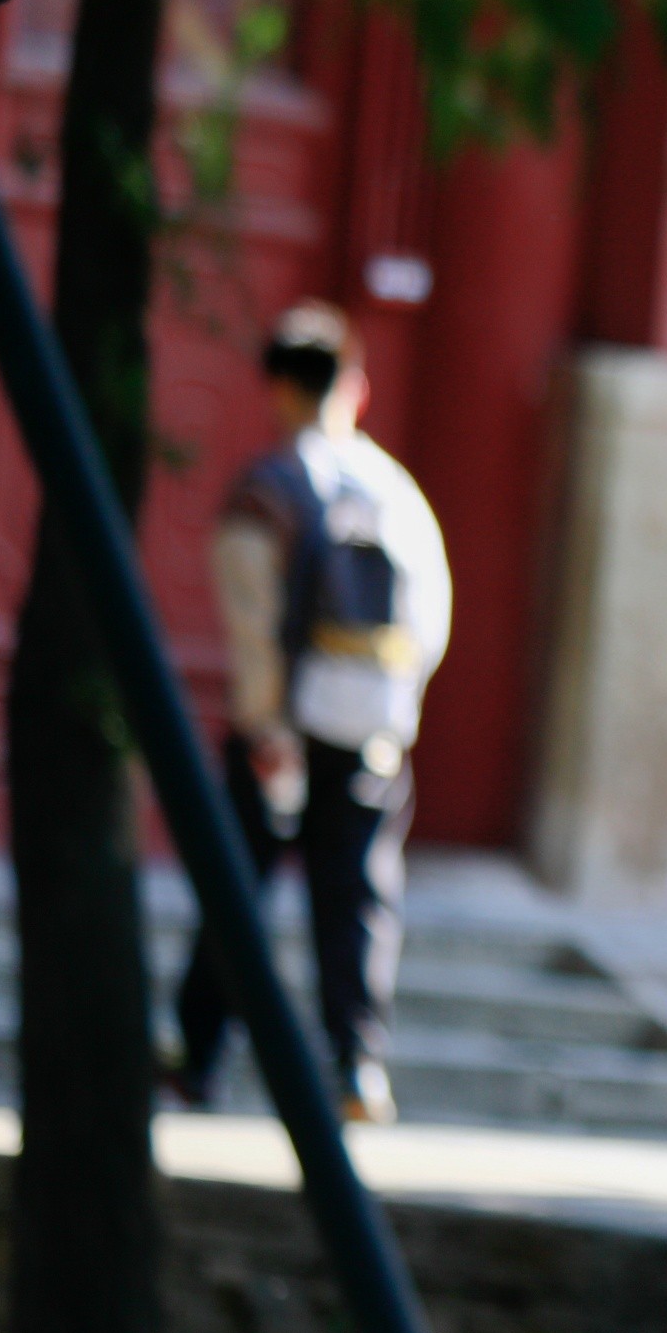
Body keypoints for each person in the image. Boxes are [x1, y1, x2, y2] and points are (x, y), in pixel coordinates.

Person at [168, 302, 450, 1126]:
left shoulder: (268, 489)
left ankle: (201, 1061)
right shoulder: (399, 492)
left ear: (280, 389)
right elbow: (431, 617)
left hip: (284, 726)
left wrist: (265, 727)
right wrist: (397, 718)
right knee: (359, 897)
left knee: (238, 893)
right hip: (373, 728)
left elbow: (252, 622)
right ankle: (357, 1066)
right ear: (355, 387)